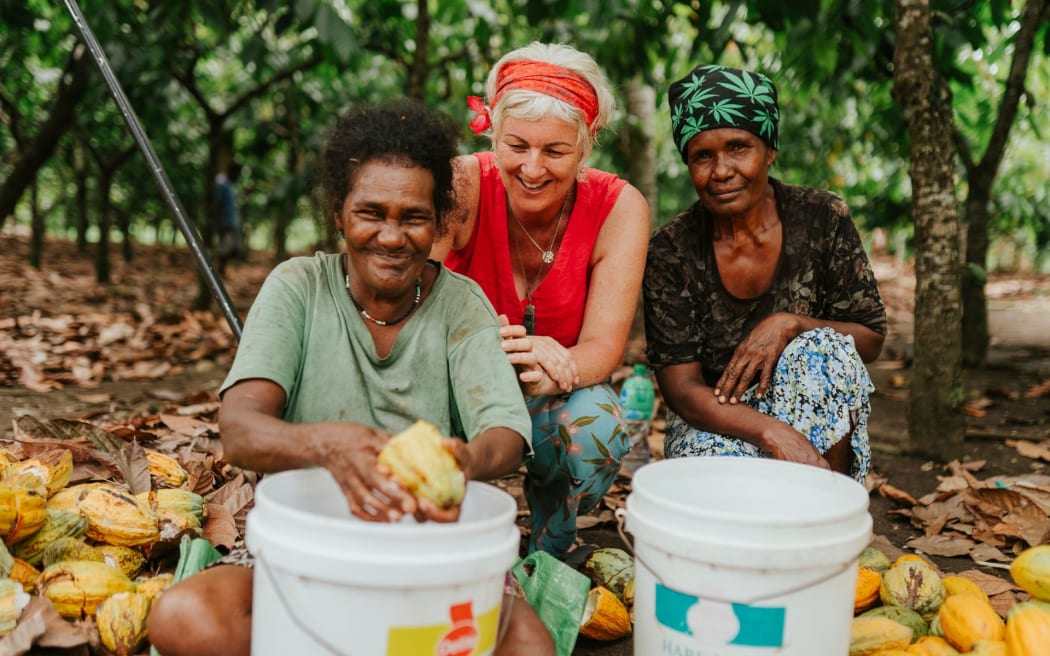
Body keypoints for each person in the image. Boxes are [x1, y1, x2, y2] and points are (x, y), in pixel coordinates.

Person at [148, 101, 555, 656]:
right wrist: (321, 443)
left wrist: (465, 461)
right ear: (338, 213)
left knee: (529, 648)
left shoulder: (462, 305)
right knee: (185, 618)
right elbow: (240, 429)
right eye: (371, 213)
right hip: (309, 547)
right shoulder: (298, 288)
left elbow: (505, 435)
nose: (392, 237)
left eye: (413, 217)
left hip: (432, 551)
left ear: (439, 222)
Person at [431, 42, 651, 559]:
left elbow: (603, 343)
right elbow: (411, 305)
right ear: (491, 132)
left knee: (596, 425)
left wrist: (562, 366)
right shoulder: (463, 183)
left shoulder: (619, 208)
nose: (532, 168)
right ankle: (443, 533)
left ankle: (552, 543)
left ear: (587, 145)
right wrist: (484, 347)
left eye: (555, 151)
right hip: (450, 379)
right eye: (517, 146)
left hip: (549, 391)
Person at [643, 64, 887, 482]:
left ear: (769, 151)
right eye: (703, 156)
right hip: (718, 420)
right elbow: (681, 389)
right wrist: (771, 432)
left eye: (738, 148)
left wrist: (790, 324)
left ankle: (831, 510)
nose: (721, 171)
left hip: (809, 408)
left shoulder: (822, 219)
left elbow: (869, 338)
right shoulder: (671, 250)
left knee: (824, 349)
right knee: (731, 507)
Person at [215, 162, 245, 272]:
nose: (238, 177)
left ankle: (222, 269)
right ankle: (219, 270)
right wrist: (220, 221)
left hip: (232, 222)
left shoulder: (230, 185)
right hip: (225, 222)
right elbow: (218, 203)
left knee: (234, 248)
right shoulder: (221, 183)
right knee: (225, 248)